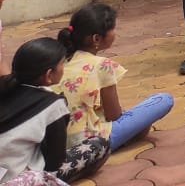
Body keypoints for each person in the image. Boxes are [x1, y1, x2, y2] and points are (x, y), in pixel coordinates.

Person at [55, 3, 174, 153]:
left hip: (59, 144)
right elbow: (114, 115)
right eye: (112, 29)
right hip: (92, 142)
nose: (115, 33)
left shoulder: (60, 63)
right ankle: (125, 137)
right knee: (163, 99)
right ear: (96, 38)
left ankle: (130, 134)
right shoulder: (103, 65)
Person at [0, 38, 108, 184]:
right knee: (98, 145)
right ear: (49, 74)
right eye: (62, 64)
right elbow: (54, 162)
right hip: (18, 180)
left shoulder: (5, 88)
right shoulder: (53, 104)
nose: (64, 68)